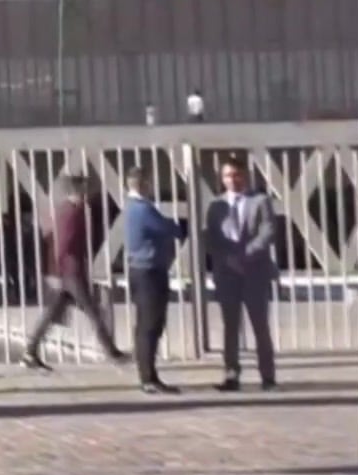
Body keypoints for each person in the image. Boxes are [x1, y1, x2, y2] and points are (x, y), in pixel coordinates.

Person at [21, 172, 128, 370]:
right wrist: (63, 269)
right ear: (78, 190)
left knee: (52, 313)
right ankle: (111, 352)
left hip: (67, 271)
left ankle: (30, 351)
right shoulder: (73, 211)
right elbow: (64, 245)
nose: (87, 192)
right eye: (85, 188)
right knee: (93, 312)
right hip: (71, 271)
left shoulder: (64, 209)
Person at [204, 157, 279, 392]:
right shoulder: (216, 206)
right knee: (230, 326)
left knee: (260, 326)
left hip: (254, 272)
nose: (232, 180)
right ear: (222, 178)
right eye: (227, 176)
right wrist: (227, 259)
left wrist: (245, 255)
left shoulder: (260, 201)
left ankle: (267, 376)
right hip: (227, 275)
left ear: (244, 175)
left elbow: (268, 232)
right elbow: (211, 237)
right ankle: (231, 374)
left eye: (236, 175)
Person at [123, 166, 189, 394]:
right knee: (150, 325)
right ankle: (148, 377)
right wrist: (178, 228)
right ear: (144, 184)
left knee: (147, 324)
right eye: (150, 183)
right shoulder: (142, 210)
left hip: (143, 270)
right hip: (149, 271)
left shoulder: (133, 208)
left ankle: (147, 374)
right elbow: (166, 228)